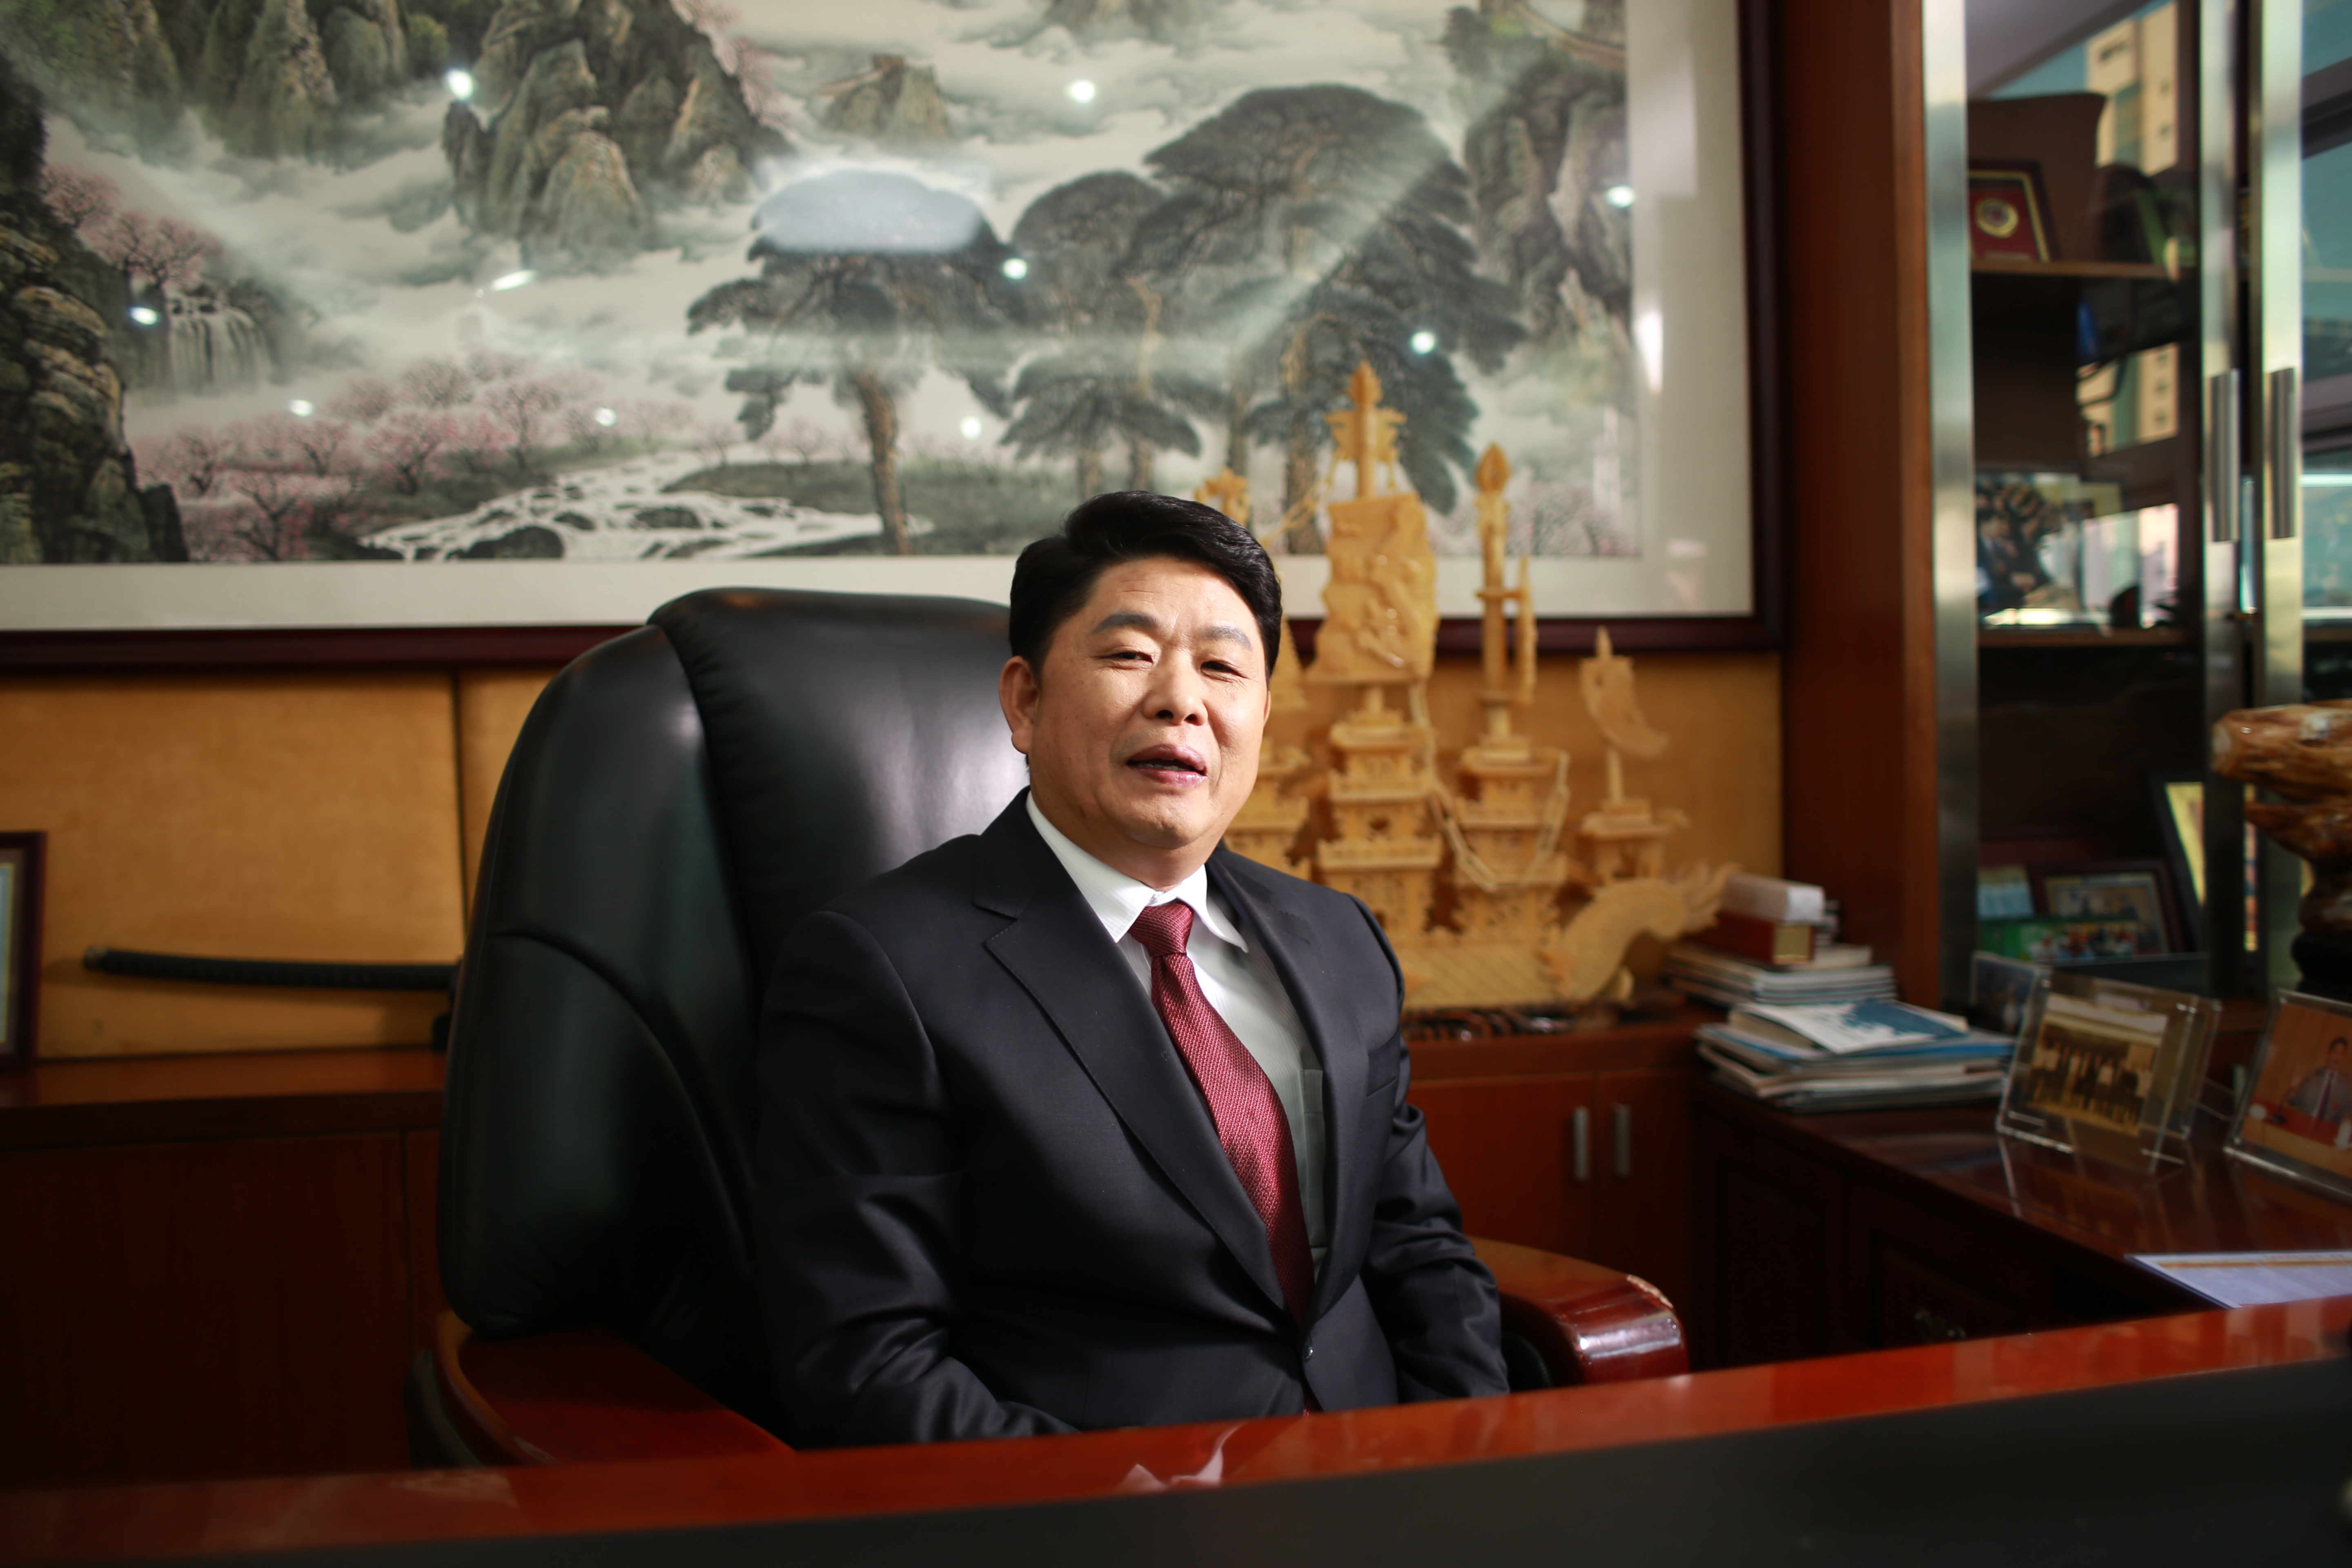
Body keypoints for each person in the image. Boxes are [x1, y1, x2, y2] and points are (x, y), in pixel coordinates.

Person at [755, 490, 1506, 1448]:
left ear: (1262, 716)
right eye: (1129, 655)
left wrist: (1464, 1457)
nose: (1180, 700)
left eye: (1222, 667)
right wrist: (1129, 1506)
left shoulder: (1339, 938)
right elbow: (867, 1365)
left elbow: (1416, 1248)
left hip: (1383, 1479)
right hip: (1103, 1502)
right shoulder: (882, 970)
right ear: (1024, 701)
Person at [2285, 1036, 2352, 1129]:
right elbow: (2293, 1102)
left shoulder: (2347, 1083)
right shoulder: (2314, 1075)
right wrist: (2294, 1088)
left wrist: (2341, 1110)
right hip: (2303, 1123)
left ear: (2344, 1058)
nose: (2337, 1057)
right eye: (2335, 1052)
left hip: (2326, 1129)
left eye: (2341, 1054)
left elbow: (2348, 1113)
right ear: (2328, 1055)